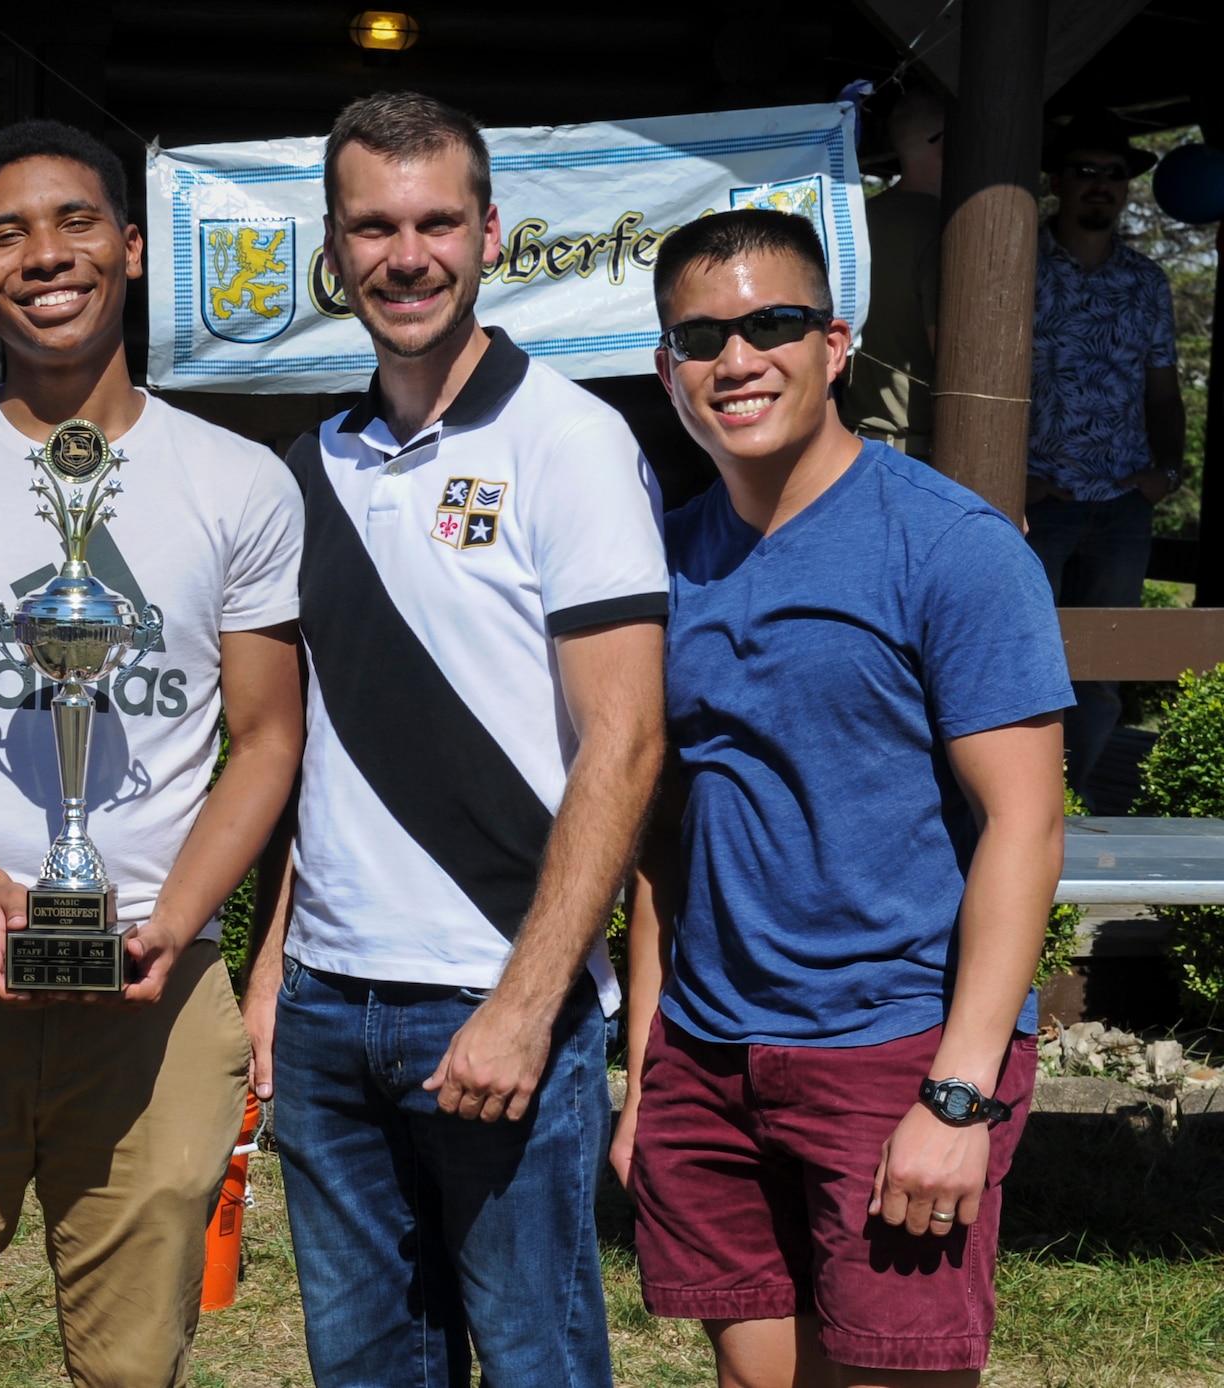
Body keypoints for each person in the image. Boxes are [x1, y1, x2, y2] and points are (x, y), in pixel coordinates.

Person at [0, 119, 304, 1388]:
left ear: (132, 249)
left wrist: (171, 921)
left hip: (158, 982)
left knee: (135, 1365)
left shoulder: (237, 481)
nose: (45, 256)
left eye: (75, 222)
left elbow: (265, 735)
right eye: (4, 235)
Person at [240, 91, 669, 1388]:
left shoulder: (572, 445)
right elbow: (316, 747)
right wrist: (269, 978)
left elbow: (629, 740)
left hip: (498, 1008)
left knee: (539, 1364)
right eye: (374, 226)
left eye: (436, 222)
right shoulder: (311, 466)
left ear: (490, 234)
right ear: (333, 247)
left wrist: (528, 1007)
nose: (406, 254)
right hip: (325, 1012)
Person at [614, 207, 1073, 1387]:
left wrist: (958, 1094)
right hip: (712, 1054)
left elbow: (1024, 822)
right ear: (666, 368)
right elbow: (665, 832)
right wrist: (649, 1064)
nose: (736, 358)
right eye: (700, 335)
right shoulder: (663, 559)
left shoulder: (948, 547)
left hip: (894, 1048)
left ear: (835, 342)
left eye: (771, 323)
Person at [1024, 109, 1186, 798]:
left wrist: (1166, 475)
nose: (1100, 185)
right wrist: (1014, 480)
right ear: (1058, 181)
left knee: (1101, 676)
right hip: (1038, 502)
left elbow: (1163, 389)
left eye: (1114, 175)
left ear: (1126, 190)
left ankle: (1075, 807)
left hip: (1122, 504)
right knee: (1023, 665)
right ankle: (1022, 810)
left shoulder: (1146, 281)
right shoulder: (1015, 263)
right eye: (1085, 172)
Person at [842, 85, 946, 460]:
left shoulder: (855, 223)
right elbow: (954, 364)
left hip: (852, 447)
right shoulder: (946, 233)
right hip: (920, 458)